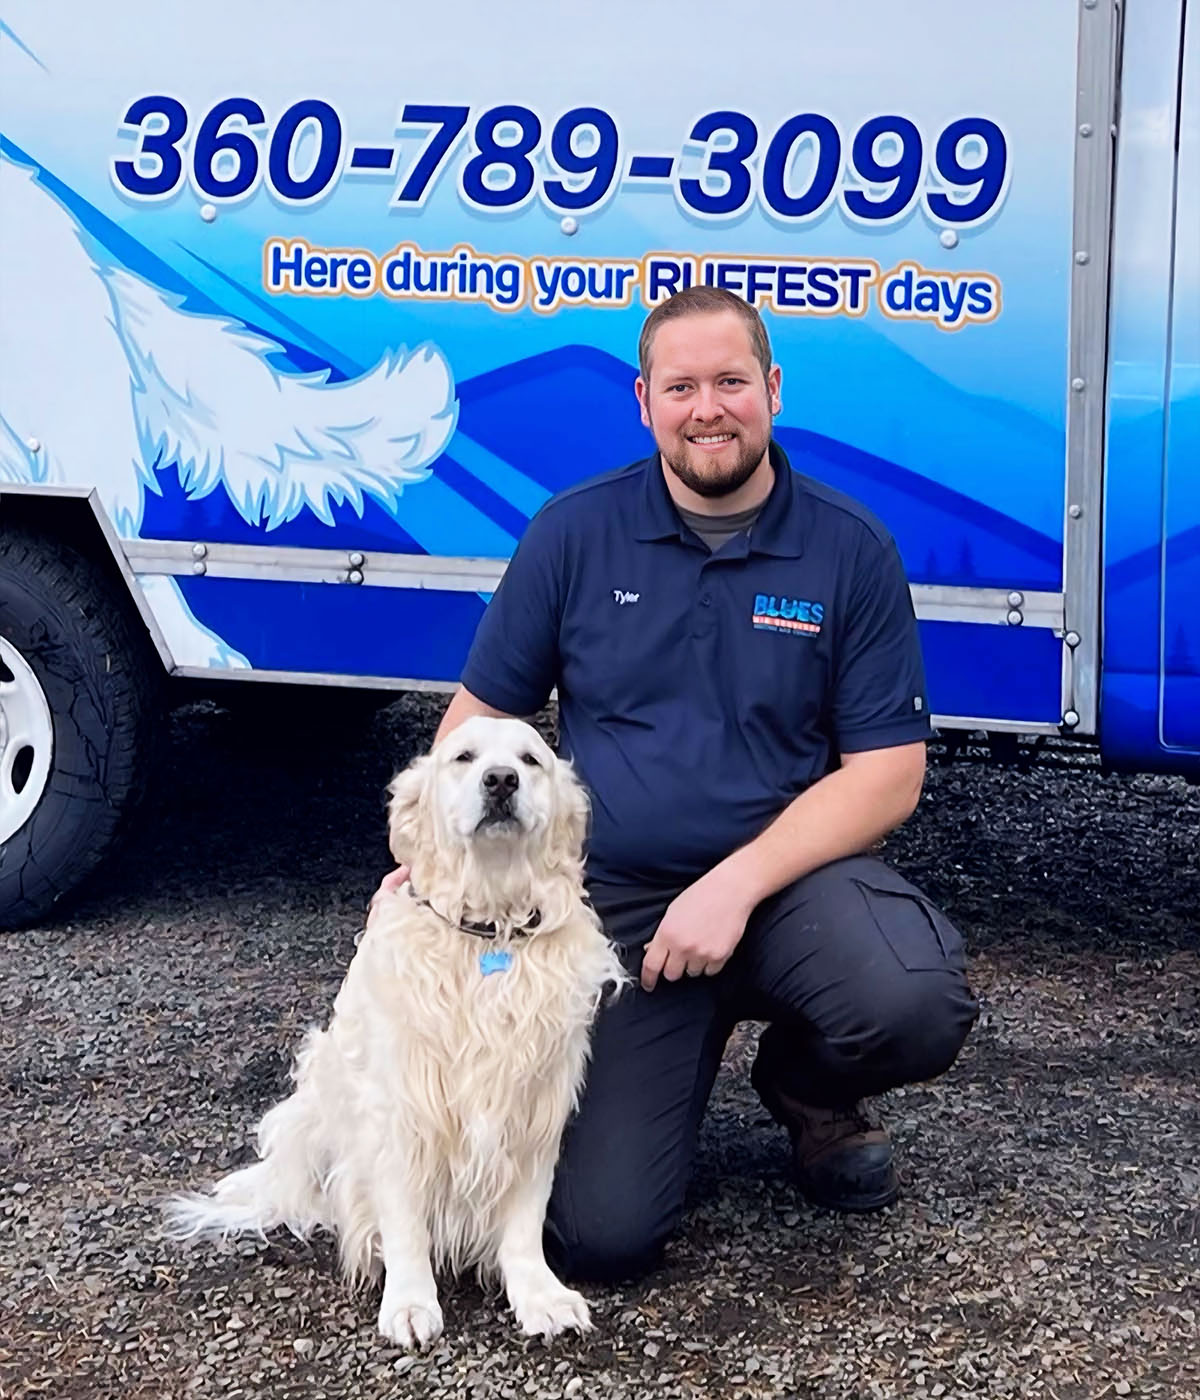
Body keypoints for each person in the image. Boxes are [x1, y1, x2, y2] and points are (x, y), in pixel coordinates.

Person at [374, 285, 978, 1282]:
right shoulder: (574, 533)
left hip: (790, 890)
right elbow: (473, 732)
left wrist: (735, 885)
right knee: (601, 1235)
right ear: (643, 401)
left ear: (773, 390)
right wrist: (428, 874)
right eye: (682, 385)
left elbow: (888, 775)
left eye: (732, 381)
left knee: (912, 999)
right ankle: (672, 1066)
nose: (710, 408)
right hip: (621, 918)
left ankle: (805, 1084)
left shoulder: (848, 546)